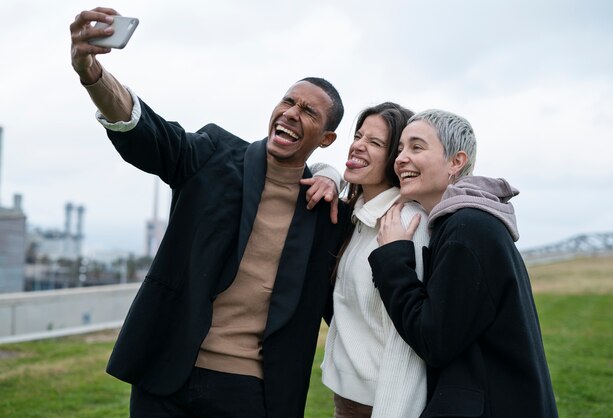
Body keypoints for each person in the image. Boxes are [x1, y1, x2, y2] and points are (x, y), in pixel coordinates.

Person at [70, 7, 350, 418]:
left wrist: (335, 177)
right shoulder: (215, 153)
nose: (291, 112)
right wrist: (91, 74)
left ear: (326, 138)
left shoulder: (323, 211)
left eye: (308, 112)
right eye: (287, 101)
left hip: (247, 390)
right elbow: (149, 130)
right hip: (166, 374)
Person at [369, 109, 559, 417]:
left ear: (456, 162)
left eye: (416, 147)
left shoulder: (467, 230)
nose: (401, 158)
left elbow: (434, 339)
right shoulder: (464, 224)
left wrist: (393, 258)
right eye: (401, 148)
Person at [321, 102, 428, 417]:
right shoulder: (360, 216)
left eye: (375, 142)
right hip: (347, 398)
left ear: (396, 159)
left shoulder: (408, 224)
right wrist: (330, 175)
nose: (358, 146)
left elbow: (406, 340)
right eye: (358, 135)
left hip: (376, 404)